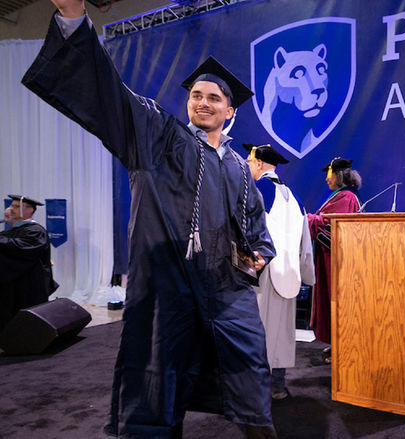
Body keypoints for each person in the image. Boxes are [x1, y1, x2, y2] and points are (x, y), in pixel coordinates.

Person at [22, 2, 277, 438]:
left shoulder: (238, 166)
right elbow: (112, 97)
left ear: (230, 111)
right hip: (167, 288)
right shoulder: (159, 135)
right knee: (158, 381)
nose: (203, 102)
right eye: (196, 95)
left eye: (215, 97)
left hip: (226, 290)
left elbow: (256, 230)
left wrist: (258, 257)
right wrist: (72, 19)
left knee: (250, 373)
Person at [244, 143, 315, 400]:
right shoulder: (296, 200)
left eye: (249, 160)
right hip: (288, 278)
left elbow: (244, 232)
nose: (247, 164)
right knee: (281, 334)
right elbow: (305, 245)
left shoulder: (255, 190)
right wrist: (307, 274)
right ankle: (277, 387)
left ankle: (253, 391)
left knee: (255, 332)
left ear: (260, 163)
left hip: (259, 276)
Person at [306, 157, 361, 361]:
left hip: (338, 261)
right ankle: (338, 343)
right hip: (330, 258)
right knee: (332, 300)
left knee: (338, 300)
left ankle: (343, 348)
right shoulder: (342, 196)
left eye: (329, 175)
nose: (326, 180)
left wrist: (307, 218)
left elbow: (332, 225)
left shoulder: (346, 197)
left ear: (338, 175)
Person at [0, 195, 58, 332]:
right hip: (13, 283)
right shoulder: (13, 230)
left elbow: (19, 248)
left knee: (27, 321)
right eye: (11, 206)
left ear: (30, 210)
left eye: (16, 206)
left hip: (30, 284)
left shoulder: (36, 231)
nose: (11, 209)